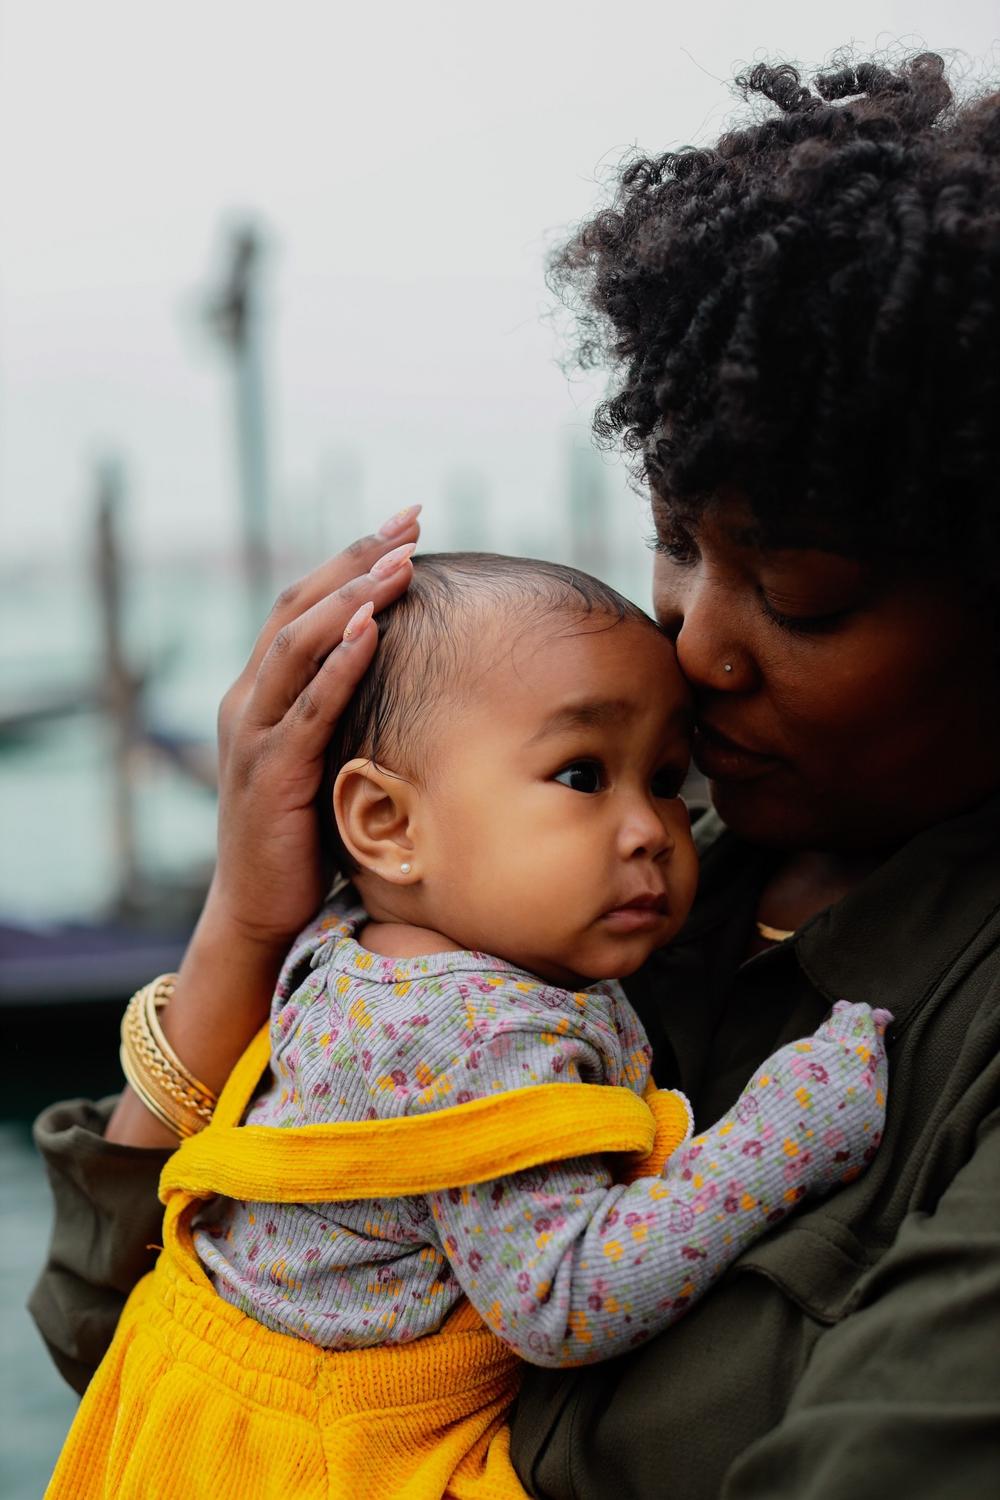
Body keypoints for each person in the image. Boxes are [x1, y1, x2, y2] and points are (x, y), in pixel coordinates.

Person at [30, 51, 1000, 1500]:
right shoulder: (620, 855)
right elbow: (126, 1332)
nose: (698, 638)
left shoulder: (953, 1030)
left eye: (799, 597)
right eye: (677, 537)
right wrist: (240, 928)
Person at [44, 552, 889, 1499]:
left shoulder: (359, 942)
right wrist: (783, 1135)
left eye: (665, 778)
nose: (654, 827)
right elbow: (562, 1298)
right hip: (334, 1457)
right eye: (581, 774)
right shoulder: (478, 1036)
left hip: (191, 1404)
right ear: (386, 824)